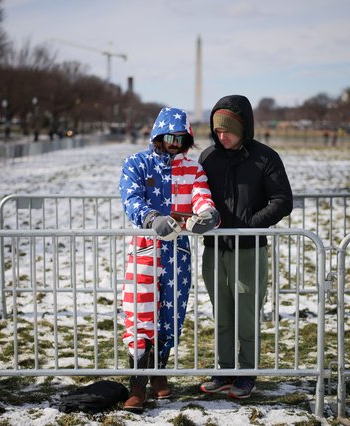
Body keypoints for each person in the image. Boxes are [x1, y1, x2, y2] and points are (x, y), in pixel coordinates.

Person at [119, 107, 220, 411]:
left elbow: (200, 194)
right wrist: (150, 217)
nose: (175, 142)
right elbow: (131, 197)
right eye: (170, 136)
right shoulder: (137, 163)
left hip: (179, 253)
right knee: (140, 314)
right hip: (145, 252)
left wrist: (206, 212)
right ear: (158, 134)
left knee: (172, 316)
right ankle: (137, 384)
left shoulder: (193, 168)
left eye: (181, 138)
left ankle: (159, 373)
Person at [197, 95, 293, 399]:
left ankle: (246, 373)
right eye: (217, 130)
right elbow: (196, 194)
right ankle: (224, 370)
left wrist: (251, 225)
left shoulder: (265, 157)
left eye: (228, 130)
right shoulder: (208, 157)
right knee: (222, 312)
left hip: (249, 250)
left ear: (243, 127)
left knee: (247, 314)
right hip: (215, 250)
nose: (221, 136)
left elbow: (282, 200)